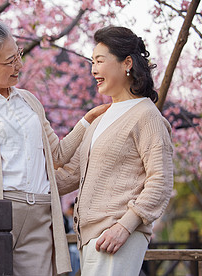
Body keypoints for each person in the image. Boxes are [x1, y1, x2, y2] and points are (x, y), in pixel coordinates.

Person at [0, 18, 108, 276]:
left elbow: (57, 155)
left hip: (39, 212)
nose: (19, 65)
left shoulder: (29, 101)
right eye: (10, 61)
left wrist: (87, 120)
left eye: (17, 54)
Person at [56, 26, 174, 276]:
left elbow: (160, 181)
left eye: (99, 61)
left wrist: (124, 227)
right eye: (91, 62)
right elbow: (71, 174)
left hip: (117, 234)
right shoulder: (100, 118)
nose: (93, 69)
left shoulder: (146, 115)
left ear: (127, 63)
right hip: (90, 235)